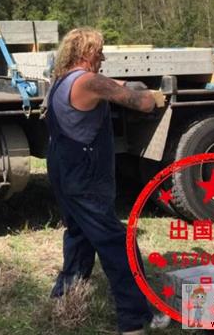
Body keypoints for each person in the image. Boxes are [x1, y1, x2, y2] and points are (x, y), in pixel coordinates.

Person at [46, 27, 171, 335]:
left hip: (63, 169)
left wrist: (129, 84)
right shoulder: (90, 81)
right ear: (87, 53)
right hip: (86, 175)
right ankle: (135, 320)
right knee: (118, 244)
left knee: (79, 233)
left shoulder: (61, 80)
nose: (102, 58)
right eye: (99, 52)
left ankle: (65, 298)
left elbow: (113, 85)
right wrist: (154, 97)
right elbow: (141, 103)